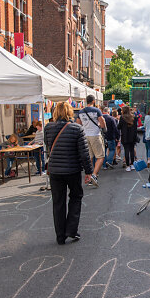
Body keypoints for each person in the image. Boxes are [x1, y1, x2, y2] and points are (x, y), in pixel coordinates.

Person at [44, 102, 93, 245]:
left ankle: (60, 236)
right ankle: (71, 230)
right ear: (70, 112)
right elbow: (84, 153)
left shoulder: (48, 128)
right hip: (72, 169)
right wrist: (89, 171)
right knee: (76, 197)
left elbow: (48, 147)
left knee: (58, 202)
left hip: (55, 170)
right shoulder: (77, 128)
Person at [75, 95, 107, 186]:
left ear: (86, 101)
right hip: (95, 135)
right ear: (93, 101)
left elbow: (78, 124)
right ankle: (94, 175)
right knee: (100, 156)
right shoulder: (97, 110)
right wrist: (102, 127)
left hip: (85, 135)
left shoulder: (81, 111)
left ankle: (89, 176)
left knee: (89, 157)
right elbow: (102, 121)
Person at [118, 106, 138, 172]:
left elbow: (119, 127)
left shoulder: (122, 117)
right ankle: (132, 164)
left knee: (126, 150)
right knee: (132, 150)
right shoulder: (133, 117)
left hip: (125, 136)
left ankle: (128, 166)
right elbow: (135, 128)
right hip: (132, 136)